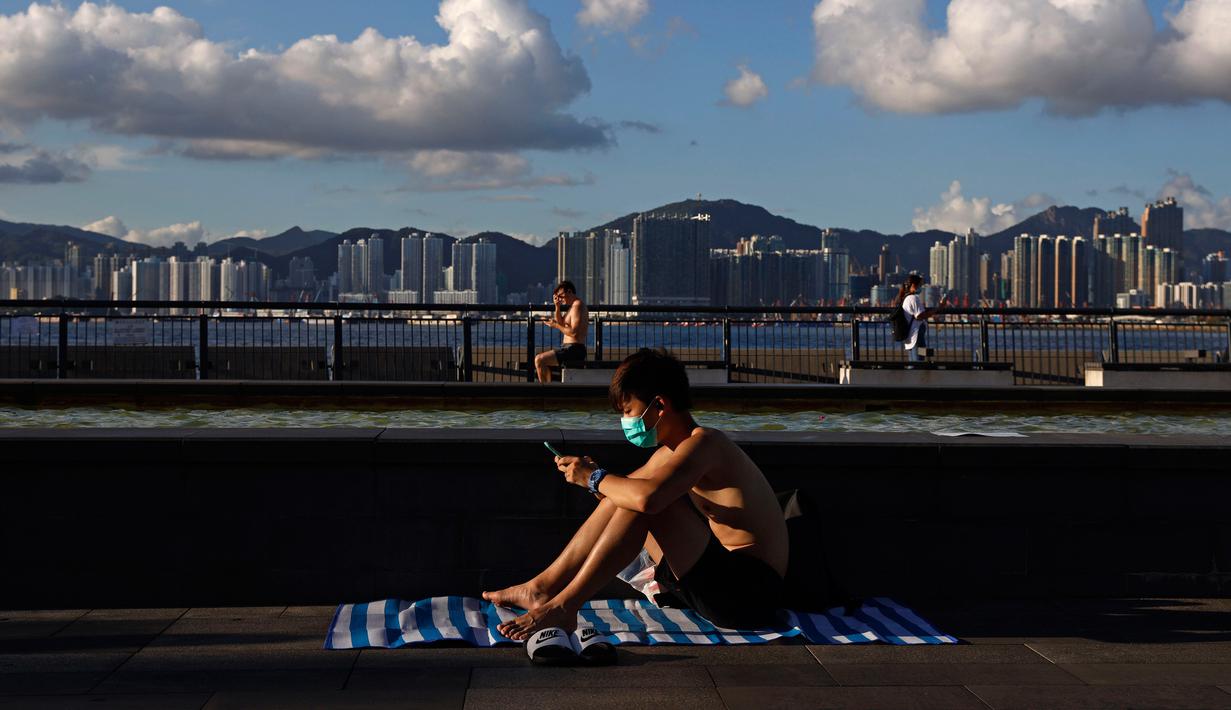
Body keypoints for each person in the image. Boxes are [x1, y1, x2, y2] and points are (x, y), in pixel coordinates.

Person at [484, 348, 789, 638]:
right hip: (713, 583)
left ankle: (564, 606)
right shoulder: (669, 453)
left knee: (647, 503)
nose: (626, 421)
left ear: (660, 405)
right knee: (630, 496)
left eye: (629, 410)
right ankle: (541, 588)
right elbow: (618, 498)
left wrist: (595, 478)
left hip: (750, 593)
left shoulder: (707, 443)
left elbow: (648, 499)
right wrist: (591, 477)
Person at [534, 281, 588, 383]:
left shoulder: (577, 306)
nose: (560, 299)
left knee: (539, 359)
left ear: (569, 291)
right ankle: (548, 388)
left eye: (561, 296)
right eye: (558, 297)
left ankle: (546, 390)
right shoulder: (572, 307)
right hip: (568, 349)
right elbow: (561, 323)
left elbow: (574, 333)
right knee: (541, 360)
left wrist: (556, 325)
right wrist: (557, 307)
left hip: (574, 350)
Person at [895, 274, 946, 362]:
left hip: (911, 336)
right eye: (920, 285)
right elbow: (920, 315)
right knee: (919, 360)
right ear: (914, 285)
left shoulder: (906, 298)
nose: (921, 288)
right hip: (916, 335)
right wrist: (939, 308)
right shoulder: (913, 298)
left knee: (914, 360)